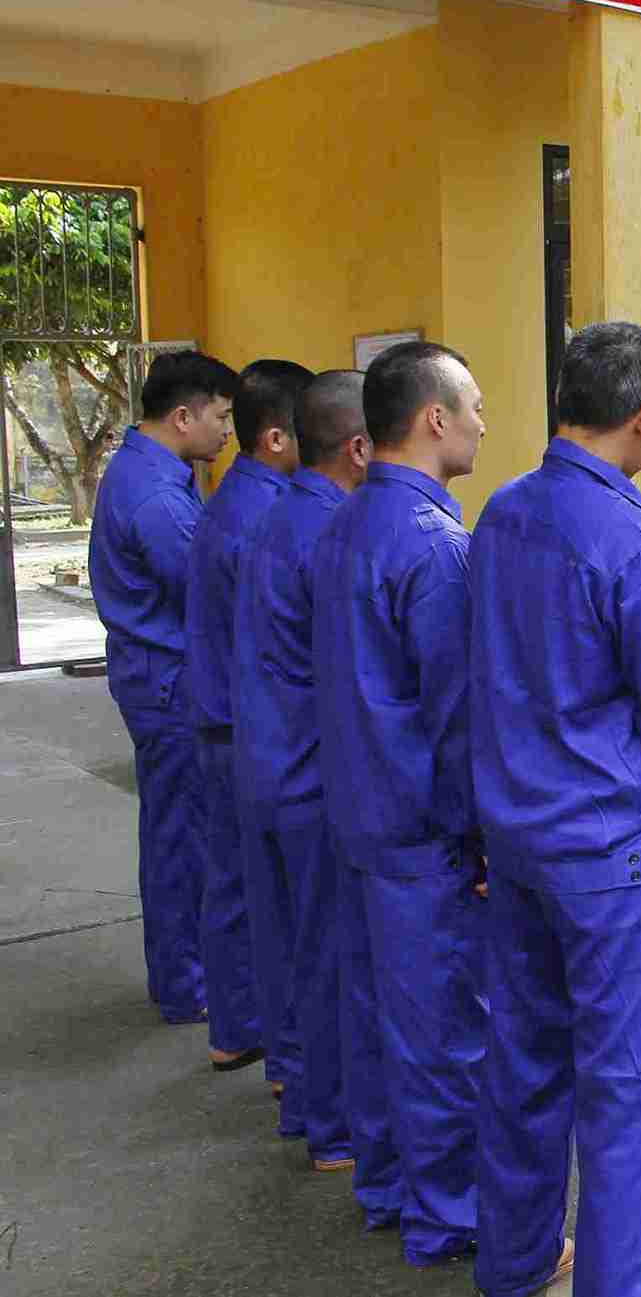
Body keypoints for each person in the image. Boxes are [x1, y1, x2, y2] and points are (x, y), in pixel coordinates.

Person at [470, 322, 641, 1297]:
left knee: (525, 1061)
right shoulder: (635, 540)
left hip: (516, 837)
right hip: (611, 850)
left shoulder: (499, 512)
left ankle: (517, 1258)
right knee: (624, 1090)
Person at [314, 341, 486, 1267]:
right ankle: (451, 1213)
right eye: (473, 406)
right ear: (433, 419)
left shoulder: (338, 522)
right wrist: (481, 835)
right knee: (444, 1031)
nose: (482, 423)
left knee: (377, 1012)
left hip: (355, 810)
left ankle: (387, 1184)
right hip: (420, 828)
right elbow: (455, 716)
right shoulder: (434, 547)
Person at [233, 372, 376, 1186]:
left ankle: (296, 1090)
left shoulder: (279, 512)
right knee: (329, 955)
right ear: (359, 447)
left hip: (268, 758)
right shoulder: (331, 533)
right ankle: (331, 1125)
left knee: (291, 942)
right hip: (308, 772)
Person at [89, 350, 238, 1030]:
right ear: (183, 415)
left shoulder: (152, 471)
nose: (226, 432)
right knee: (182, 835)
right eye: (221, 417)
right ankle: (185, 981)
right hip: (168, 679)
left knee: (178, 828)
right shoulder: (153, 495)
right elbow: (204, 584)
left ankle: (184, 970)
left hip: (157, 669)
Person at [184, 359, 312, 1080]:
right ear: (274, 438)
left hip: (224, 716)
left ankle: (244, 1026)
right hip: (246, 728)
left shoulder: (232, 499)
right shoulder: (267, 520)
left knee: (240, 885)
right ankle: (257, 1032)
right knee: (262, 895)